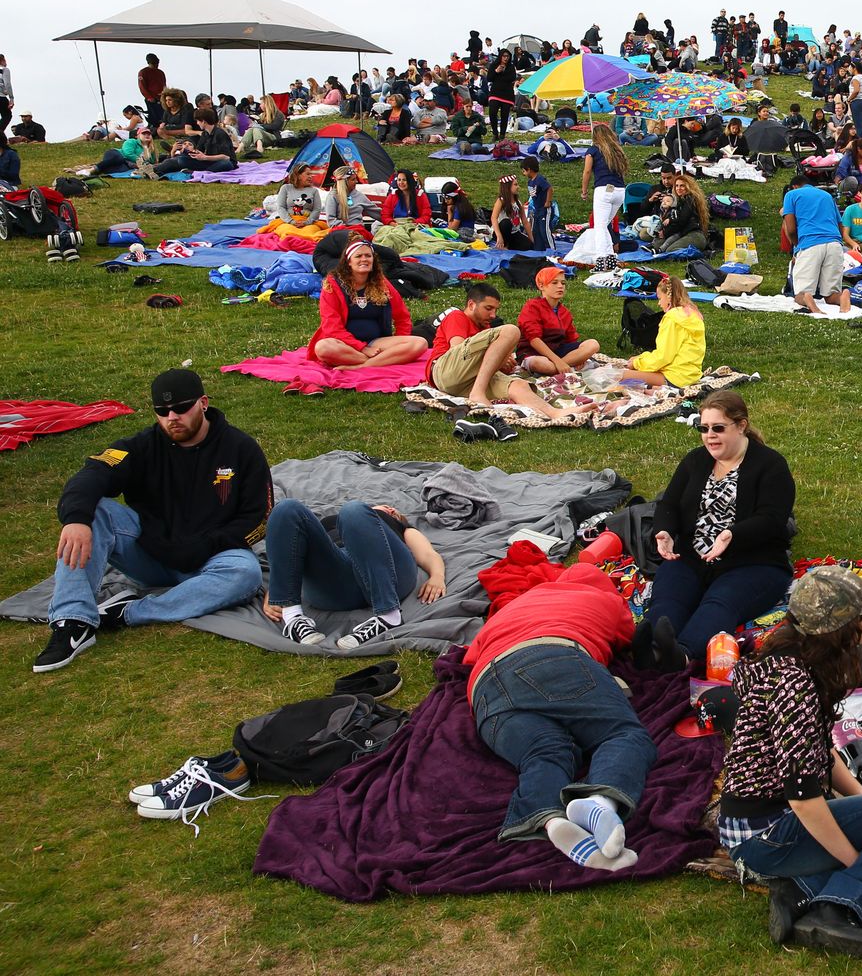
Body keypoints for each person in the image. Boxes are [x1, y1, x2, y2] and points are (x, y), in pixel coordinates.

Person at [718, 565, 862, 962]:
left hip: (765, 825)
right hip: (766, 835)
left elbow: (822, 754)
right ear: (841, 631)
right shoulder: (794, 687)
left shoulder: (790, 663)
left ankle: (799, 892)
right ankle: (838, 906)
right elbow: (805, 801)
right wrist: (861, 867)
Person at [34, 370, 270, 672]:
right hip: (151, 553)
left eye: (181, 408)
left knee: (246, 574)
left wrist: (207, 545)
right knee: (96, 510)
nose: (172, 417)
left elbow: (260, 516)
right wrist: (76, 520)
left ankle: (126, 614)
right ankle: (73, 622)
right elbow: (92, 473)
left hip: (214, 556)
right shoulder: (138, 447)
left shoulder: (241, 449)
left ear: (203, 403)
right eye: (162, 411)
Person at [466, 561, 657, 871]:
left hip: (484, 691)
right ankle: (599, 804)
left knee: (544, 751)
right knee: (622, 734)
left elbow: (471, 653)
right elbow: (628, 637)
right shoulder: (604, 600)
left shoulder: (516, 604)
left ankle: (550, 820)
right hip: (554, 655)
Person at [647, 391, 794, 656]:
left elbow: (772, 520)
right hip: (692, 557)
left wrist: (732, 535)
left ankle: (683, 655)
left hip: (752, 562)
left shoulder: (770, 465)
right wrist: (665, 532)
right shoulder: (695, 460)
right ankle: (653, 650)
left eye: (718, 428)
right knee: (668, 599)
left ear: (741, 426)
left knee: (720, 604)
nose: (709, 435)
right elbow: (668, 504)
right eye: (703, 428)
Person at [262, 499, 445, 648]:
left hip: (387, 575)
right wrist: (278, 591)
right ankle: (293, 617)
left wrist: (437, 576)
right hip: (338, 578)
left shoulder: (399, 528)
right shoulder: (327, 523)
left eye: (395, 512)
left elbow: (428, 554)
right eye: (385, 506)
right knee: (286, 509)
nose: (390, 509)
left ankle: (389, 616)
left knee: (353, 511)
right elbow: (291, 550)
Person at [427, 283, 590, 422]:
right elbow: (458, 350)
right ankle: (478, 393)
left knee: (519, 385)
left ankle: (554, 413)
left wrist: (502, 362)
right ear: (471, 305)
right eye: (488, 308)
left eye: (495, 310)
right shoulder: (457, 316)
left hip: (466, 381)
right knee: (511, 330)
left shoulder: (485, 329)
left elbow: (486, 366)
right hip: (445, 370)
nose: (493, 315)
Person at [306, 240, 426, 369]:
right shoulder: (332, 285)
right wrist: (362, 348)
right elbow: (331, 327)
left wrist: (399, 341)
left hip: (376, 343)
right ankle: (382, 360)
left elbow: (402, 316)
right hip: (344, 345)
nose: (364, 259)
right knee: (323, 347)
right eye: (358, 256)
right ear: (348, 262)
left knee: (420, 343)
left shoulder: (381, 283)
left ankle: (360, 366)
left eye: (368, 256)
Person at [618, 275, 706, 388]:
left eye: (660, 298)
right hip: (691, 375)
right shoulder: (693, 313)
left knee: (619, 375)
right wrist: (641, 358)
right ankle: (652, 387)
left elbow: (663, 357)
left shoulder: (672, 318)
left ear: (669, 297)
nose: (659, 303)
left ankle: (652, 387)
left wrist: (637, 363)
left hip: (676, 378)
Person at [783, 175, 850, 315]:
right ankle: (842, 296)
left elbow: (790, 228)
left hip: (810, 244)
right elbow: (840, 225)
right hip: (834, 244)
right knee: (831, 295)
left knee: (801, 293)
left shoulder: (791, 195)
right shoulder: (827, 196)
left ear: (794, 186)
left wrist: (797, 246)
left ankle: (807, 298)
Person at [516, 267, 601, 375]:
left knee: (593, 344)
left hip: (559, 351)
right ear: (541, 286)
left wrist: (579, 357)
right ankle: (566, 368)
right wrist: (558, 362)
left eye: (563, 283)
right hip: (534, 352)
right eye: (554, 283)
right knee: (540, 364)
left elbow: (571, 340)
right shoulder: (532, 307)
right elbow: (534, 339)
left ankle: (559, 368)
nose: (560, 286)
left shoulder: (564, 312)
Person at [572, 123, 626, 267]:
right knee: (604, 224)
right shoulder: (617, 151)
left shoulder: (593, 150)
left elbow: (587, 171)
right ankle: (610, 255)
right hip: (620, 191)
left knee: (600, 226)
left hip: (604, 190)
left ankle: (602, 259)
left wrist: (584, 190)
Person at [655, 174, 711, 254]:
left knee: (670, 251)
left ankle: (702, 254)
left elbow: (682, 221)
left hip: (694, 234)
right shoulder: (678, 200)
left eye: (682, 186)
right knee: (658, 245)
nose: (678, 188)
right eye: (677, 186)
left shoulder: (690, 199)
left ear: (688, 187)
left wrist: (665, 233)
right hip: (681, 233)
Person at [491, 176, 535, 250]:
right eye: (515, 185)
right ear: (508, 187)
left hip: (514, 233)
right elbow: (493, 218)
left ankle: (510, 246)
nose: (518, 187)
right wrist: (499, 236)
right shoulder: (501, 200)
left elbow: (525, 221)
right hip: (502, 232)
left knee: (529, 246)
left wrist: (531, 239)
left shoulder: (518, 203)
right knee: (506, 222)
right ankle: (503, 245)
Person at [137, 54, 167, 127]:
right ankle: (154, 128)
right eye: (154, 63)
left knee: (163, 115)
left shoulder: (160, 73)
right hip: (151, 99)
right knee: (153, 116)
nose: (156, 65)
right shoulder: (143, 72)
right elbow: (142, 86)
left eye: (157, 63)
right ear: (149, 62)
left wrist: (165, 95)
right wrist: (149, 97)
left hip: (162, 98)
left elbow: (164, 85)